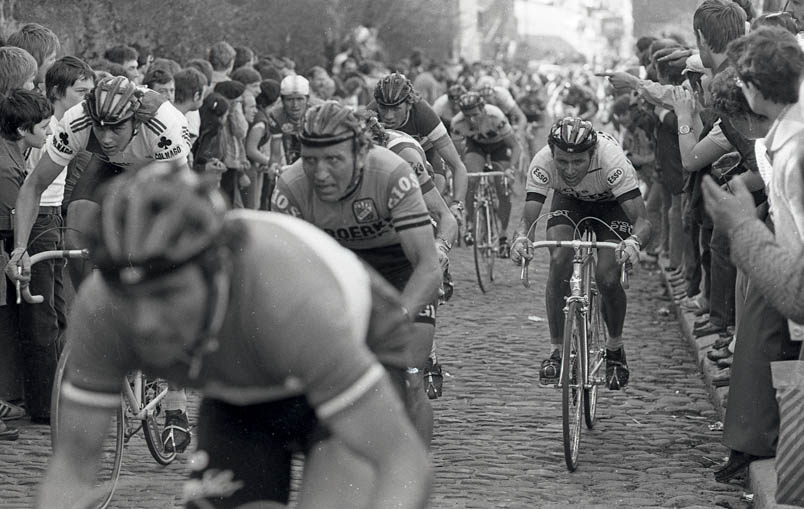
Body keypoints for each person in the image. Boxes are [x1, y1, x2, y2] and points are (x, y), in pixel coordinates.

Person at [36, 167, 432, 509]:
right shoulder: (101, 310)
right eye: (128, 299)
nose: (145, 322)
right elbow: (74, 464)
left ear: (216, 272)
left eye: (167, 295)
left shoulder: (287, 300)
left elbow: (402, 461)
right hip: (244, 388)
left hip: (356, 344)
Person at [272, 101, 442, 442]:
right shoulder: (290, 186)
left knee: (410, 378)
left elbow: (427, 266)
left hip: (398, 265)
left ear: (360, 154)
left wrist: (394, 319)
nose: (320, 174)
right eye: (310, 160)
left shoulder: (392, 172)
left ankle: (413, 481)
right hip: (337, 265)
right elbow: (284, 275)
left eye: (334, 160)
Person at [510, 117, 651, 390]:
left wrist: (634, 243)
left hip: (612, 206)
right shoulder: (542, 162)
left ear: (592, 153)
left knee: (608, 276)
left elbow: (643, 221)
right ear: (552, 154)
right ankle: (556, 351)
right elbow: (527, 219)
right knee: (559, 258)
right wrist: (520, 239)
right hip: (570, 202)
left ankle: (615, 348)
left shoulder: (612, 161)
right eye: (562, 162)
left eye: (578, 162)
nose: (570, 169)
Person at [0, 90, 53, 431]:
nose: (49, 133)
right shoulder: (5, 168)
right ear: (22, 130)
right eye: (44, 127)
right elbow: (9, 218)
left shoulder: (18, 154)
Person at [369, 72, 468, 211]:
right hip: (389, 154)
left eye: (396, 108)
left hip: (427, 153)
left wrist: (457, 204)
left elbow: (457, 166)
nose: (388, 116)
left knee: (434, 203)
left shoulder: (424, 114)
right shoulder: (371, 114)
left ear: (409, 105)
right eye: (383, 108)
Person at [450, 92, 521, 256]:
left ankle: (503, 236)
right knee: (470, 179)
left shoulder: (496, 115)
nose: (472, 119)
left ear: (483, 108)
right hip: (476, 148)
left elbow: (516, 147)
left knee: (502, 189)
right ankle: (470, 223)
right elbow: (457, 155)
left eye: (475, 114)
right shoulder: (457, 122)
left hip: (499, 147)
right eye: (467, 116)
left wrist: (510, 169)